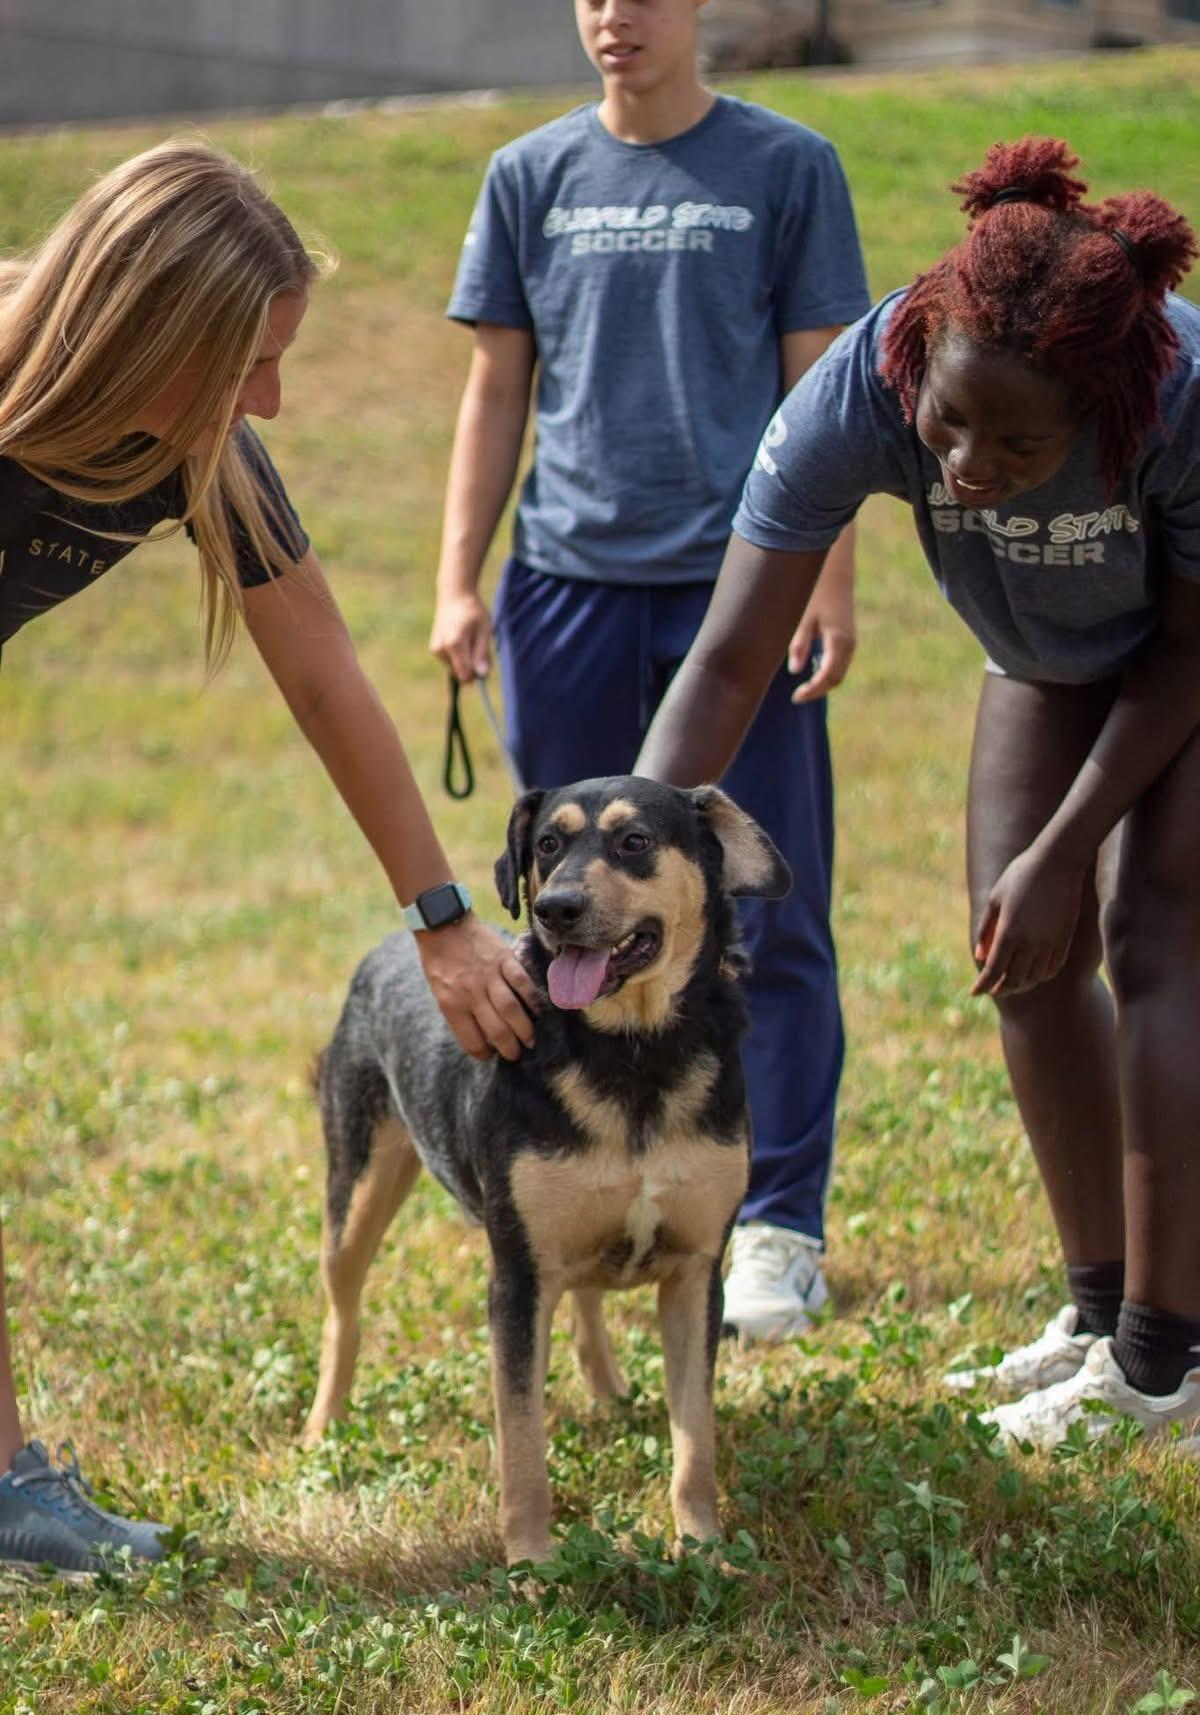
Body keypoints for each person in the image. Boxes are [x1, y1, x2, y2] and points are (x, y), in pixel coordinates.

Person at [0, 141, 540, 1573]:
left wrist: (440, 914)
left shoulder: (206, 458)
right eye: (248, 362)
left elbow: (325, 677)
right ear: (144, 334)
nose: (273, 401)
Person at [635, 134, 1200, 1449]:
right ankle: (1100, 1312)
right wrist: (626, 844)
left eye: (1019, 441)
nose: (967, 465)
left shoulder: (1178, 397)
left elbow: (1187, 653)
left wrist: (1069, 846)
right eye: (951, 423)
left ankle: (1167, 1370)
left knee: (1155, 935)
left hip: (1186, 659)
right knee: (1019, 959)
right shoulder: (866, 384)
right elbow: (729, 654)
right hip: (1045, 652)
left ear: (1098, 411)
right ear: (918, 363)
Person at [430, 0, 870, 1342]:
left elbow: (823, 390)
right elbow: (496, 387)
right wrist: (460, 575)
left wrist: (826, 582)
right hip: (563, 587)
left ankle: (774, 1226)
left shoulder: (788, 166)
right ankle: (580, 1187)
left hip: (736, 588)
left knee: (759, 909)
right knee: (569, 907)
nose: (616, 17)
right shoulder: (530, 174)